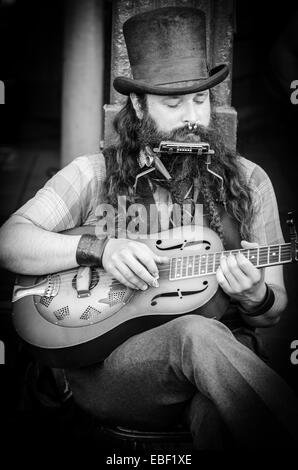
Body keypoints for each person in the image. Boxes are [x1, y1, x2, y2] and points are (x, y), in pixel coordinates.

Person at [0, 7, 297, 449]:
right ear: (138, 105)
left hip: (216, 371)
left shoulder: (250, 182)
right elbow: (9, 241)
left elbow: (273, 309)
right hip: (112, 371)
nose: (191, 116)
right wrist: (99, 249)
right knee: (195, 336)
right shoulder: (91, 174)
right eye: (173, 104)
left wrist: (256, 295)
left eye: (200, 100)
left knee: (224, 420)